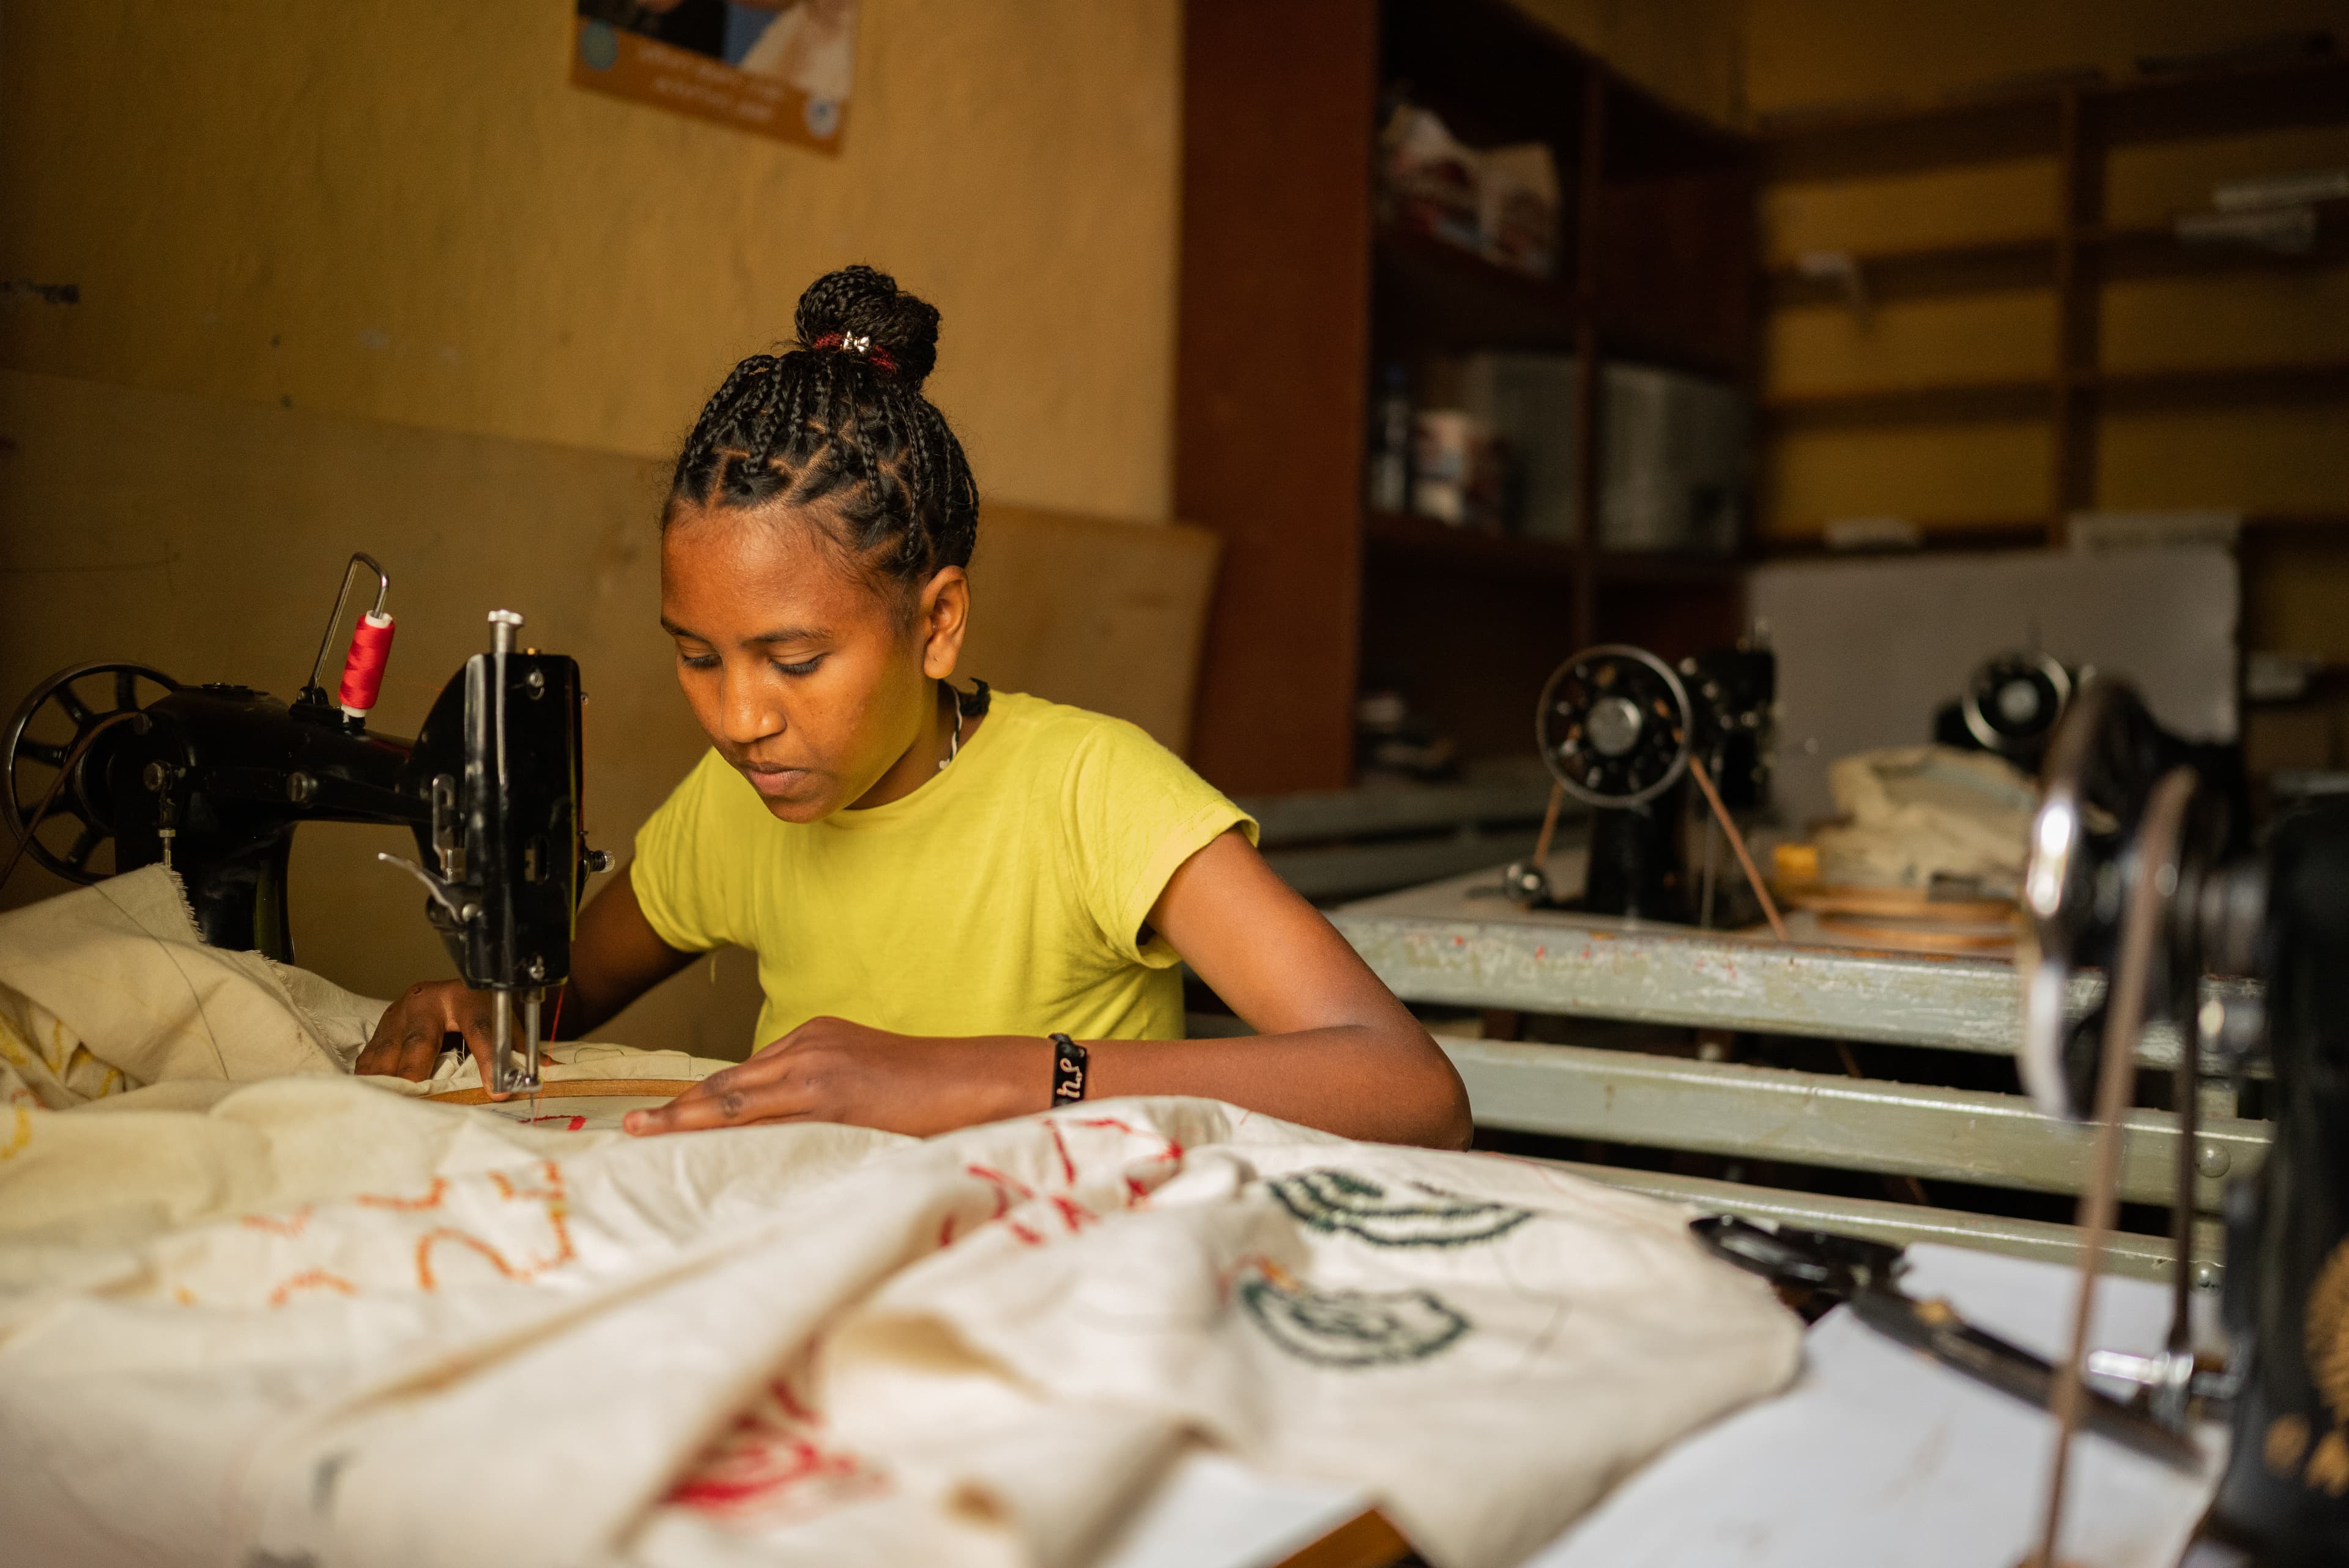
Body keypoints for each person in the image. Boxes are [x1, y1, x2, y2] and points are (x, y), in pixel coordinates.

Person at [358, 266, 1470, 1151]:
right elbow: (557, 998)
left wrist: (978, 1074)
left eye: (794, 661)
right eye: (698, 657)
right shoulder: (736, 805)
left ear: (938, 624)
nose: (739, 717)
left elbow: (1408, 1087)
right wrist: (478, 1004)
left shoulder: (1091, 792)